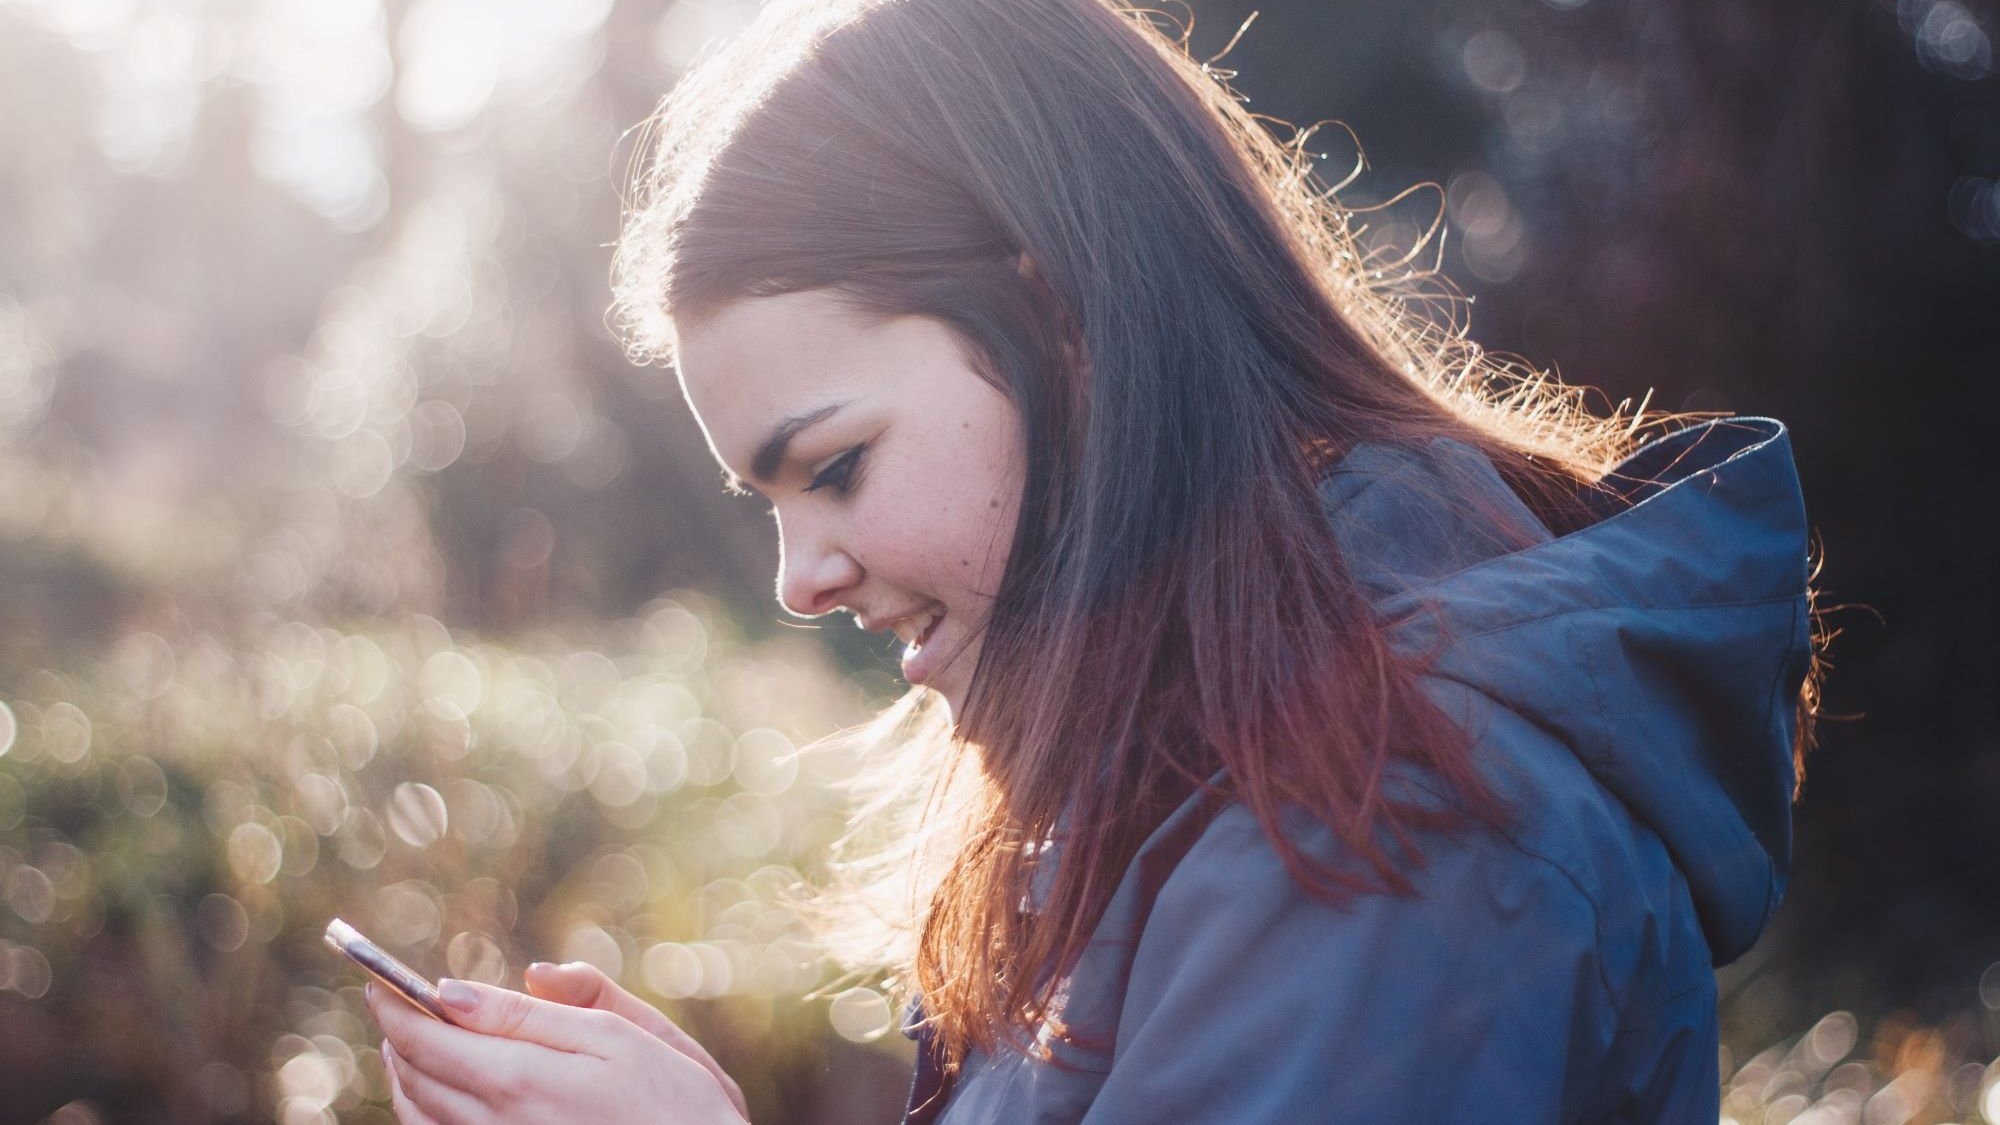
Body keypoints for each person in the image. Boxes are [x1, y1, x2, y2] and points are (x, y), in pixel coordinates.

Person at [366, 0, 1824, 1120]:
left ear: (1063, 325)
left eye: (836, 467)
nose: (798, 575)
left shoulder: (1396, 827)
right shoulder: (1206, 775)